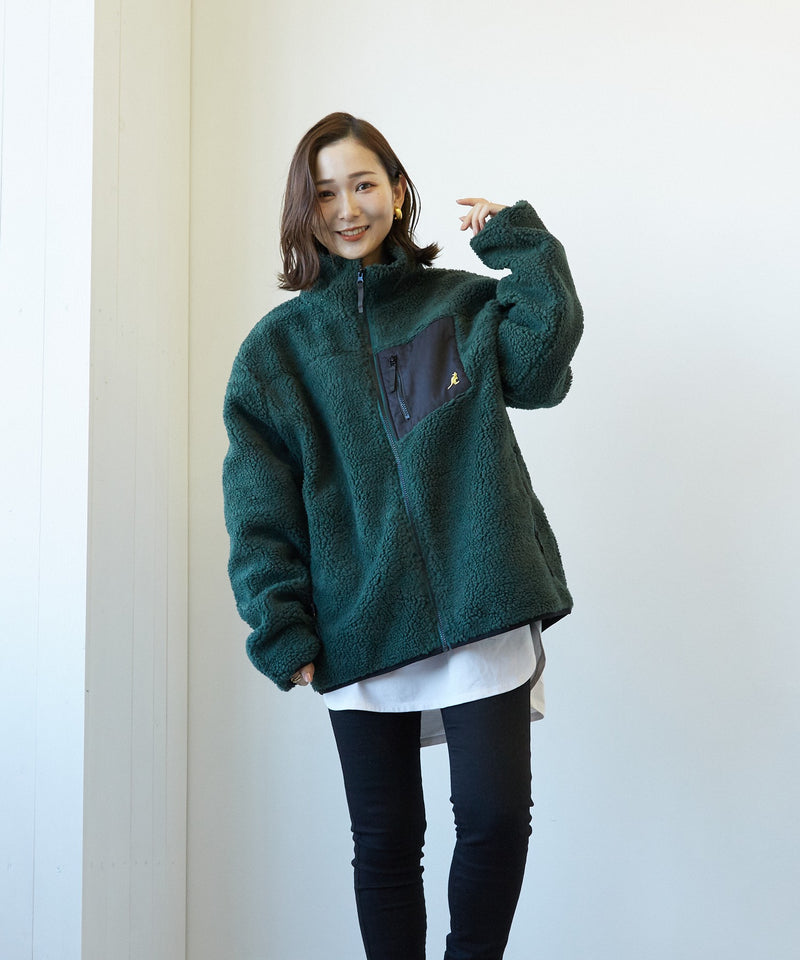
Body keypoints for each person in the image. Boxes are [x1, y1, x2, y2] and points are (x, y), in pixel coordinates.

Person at [222, 111, 583, 960]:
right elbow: (258, 504)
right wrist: (281, 624)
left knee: (496, 820)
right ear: (303, 210)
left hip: (480, 595)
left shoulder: (458, 305)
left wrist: (520, 245)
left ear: (397, 189)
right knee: (386, 842)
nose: (348, 208)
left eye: (363, 184)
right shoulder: (276, 354)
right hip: (357, 613)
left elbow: (541, 367)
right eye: (325, 194)